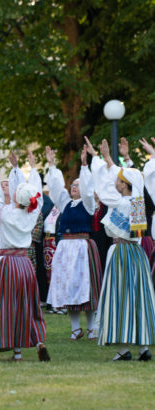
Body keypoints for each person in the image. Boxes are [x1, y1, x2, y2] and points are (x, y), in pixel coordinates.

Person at [88, 137, 155, 361]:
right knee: (138, 297)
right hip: (137, 255)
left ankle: (124, 349)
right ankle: (143, 347)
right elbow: (118, 183)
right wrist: (107, 159)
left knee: (121, 297)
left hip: (122, 255)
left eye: (118, 179)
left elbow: (105, 190)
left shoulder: (122, 202)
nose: (115, 181)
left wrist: (99, 160)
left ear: (124, 185)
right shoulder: (136, 202)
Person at [0, 148, 50, 362]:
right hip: (25, 263)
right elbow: (36, 197)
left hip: (8, 264)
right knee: (29, 303)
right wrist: (31, 169)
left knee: (9, 304)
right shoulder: (32, 214)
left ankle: (17, 351)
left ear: (15, 197)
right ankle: (39, 341)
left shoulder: (5, 213)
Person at [45, 145, 102, 341]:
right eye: (73, 185)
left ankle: (92, 327)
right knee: (68, 286)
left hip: (82, 247)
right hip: (65, 247)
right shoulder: (65, 203)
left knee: (86, 287)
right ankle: (75, 328)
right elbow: (56, 188)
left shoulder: (88, 203)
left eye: (77, 184)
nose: (74, 187)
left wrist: (84, 166)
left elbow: (87, 190)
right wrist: (51, 165)